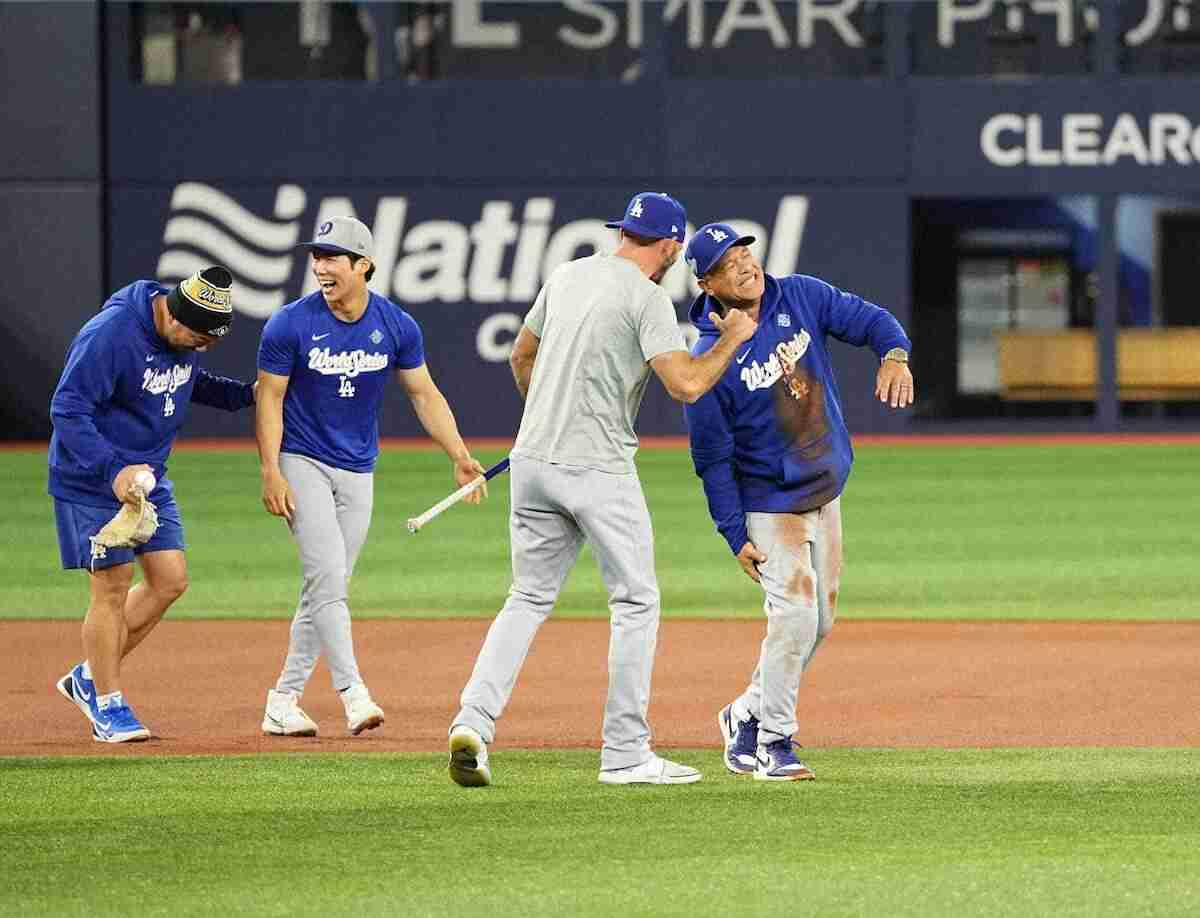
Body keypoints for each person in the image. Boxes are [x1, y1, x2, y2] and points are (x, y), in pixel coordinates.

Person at [447, 192, 757, 788]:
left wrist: (548, 415)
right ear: (671, 245)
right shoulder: (647, 297)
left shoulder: (568, 274)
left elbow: (522, 355)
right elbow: (686, 384)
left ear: (625, 233)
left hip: (533, 460)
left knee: (527, 597)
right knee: (635, 602)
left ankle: (473, 723)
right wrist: (732, 339)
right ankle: (625, 753)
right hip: (598, 466)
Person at [682, 223, 914, 781]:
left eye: (744, 252)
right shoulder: (708, 358)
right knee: (795, 617)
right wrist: (732, 532)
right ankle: (774, 742)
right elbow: (712, 458)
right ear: (707, 284)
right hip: (769, 505)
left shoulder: (801, 295)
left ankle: (745, 713)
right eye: (727, 263)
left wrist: (895, 354)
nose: (744, 265)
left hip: (824, 491)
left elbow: (872, 320)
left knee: (820, 622)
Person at [256, 216, 487, 738]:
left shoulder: (396, 325)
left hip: (360, 467)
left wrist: (459, 455)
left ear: (363, 265)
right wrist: (271, 469)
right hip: (302, 459)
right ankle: (353, 693)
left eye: (332, 257)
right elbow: (269, 397)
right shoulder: (288, 324)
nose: (321, 267)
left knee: (328, 584)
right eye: (317, 257)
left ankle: (283, 699)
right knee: (327, 580)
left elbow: (424, 393)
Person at [50, 266, 255, 743]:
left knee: (169, 580)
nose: (202, 348)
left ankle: (88, 678)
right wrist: (112, 471)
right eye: (199, 338)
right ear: (176, 317)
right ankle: (108, 706)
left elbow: (188, 381)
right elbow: (67, 408)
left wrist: (246, 395)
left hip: (147, 478)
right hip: (91, 478)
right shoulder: (111, 335)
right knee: (112, 584)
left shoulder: (183, 337)